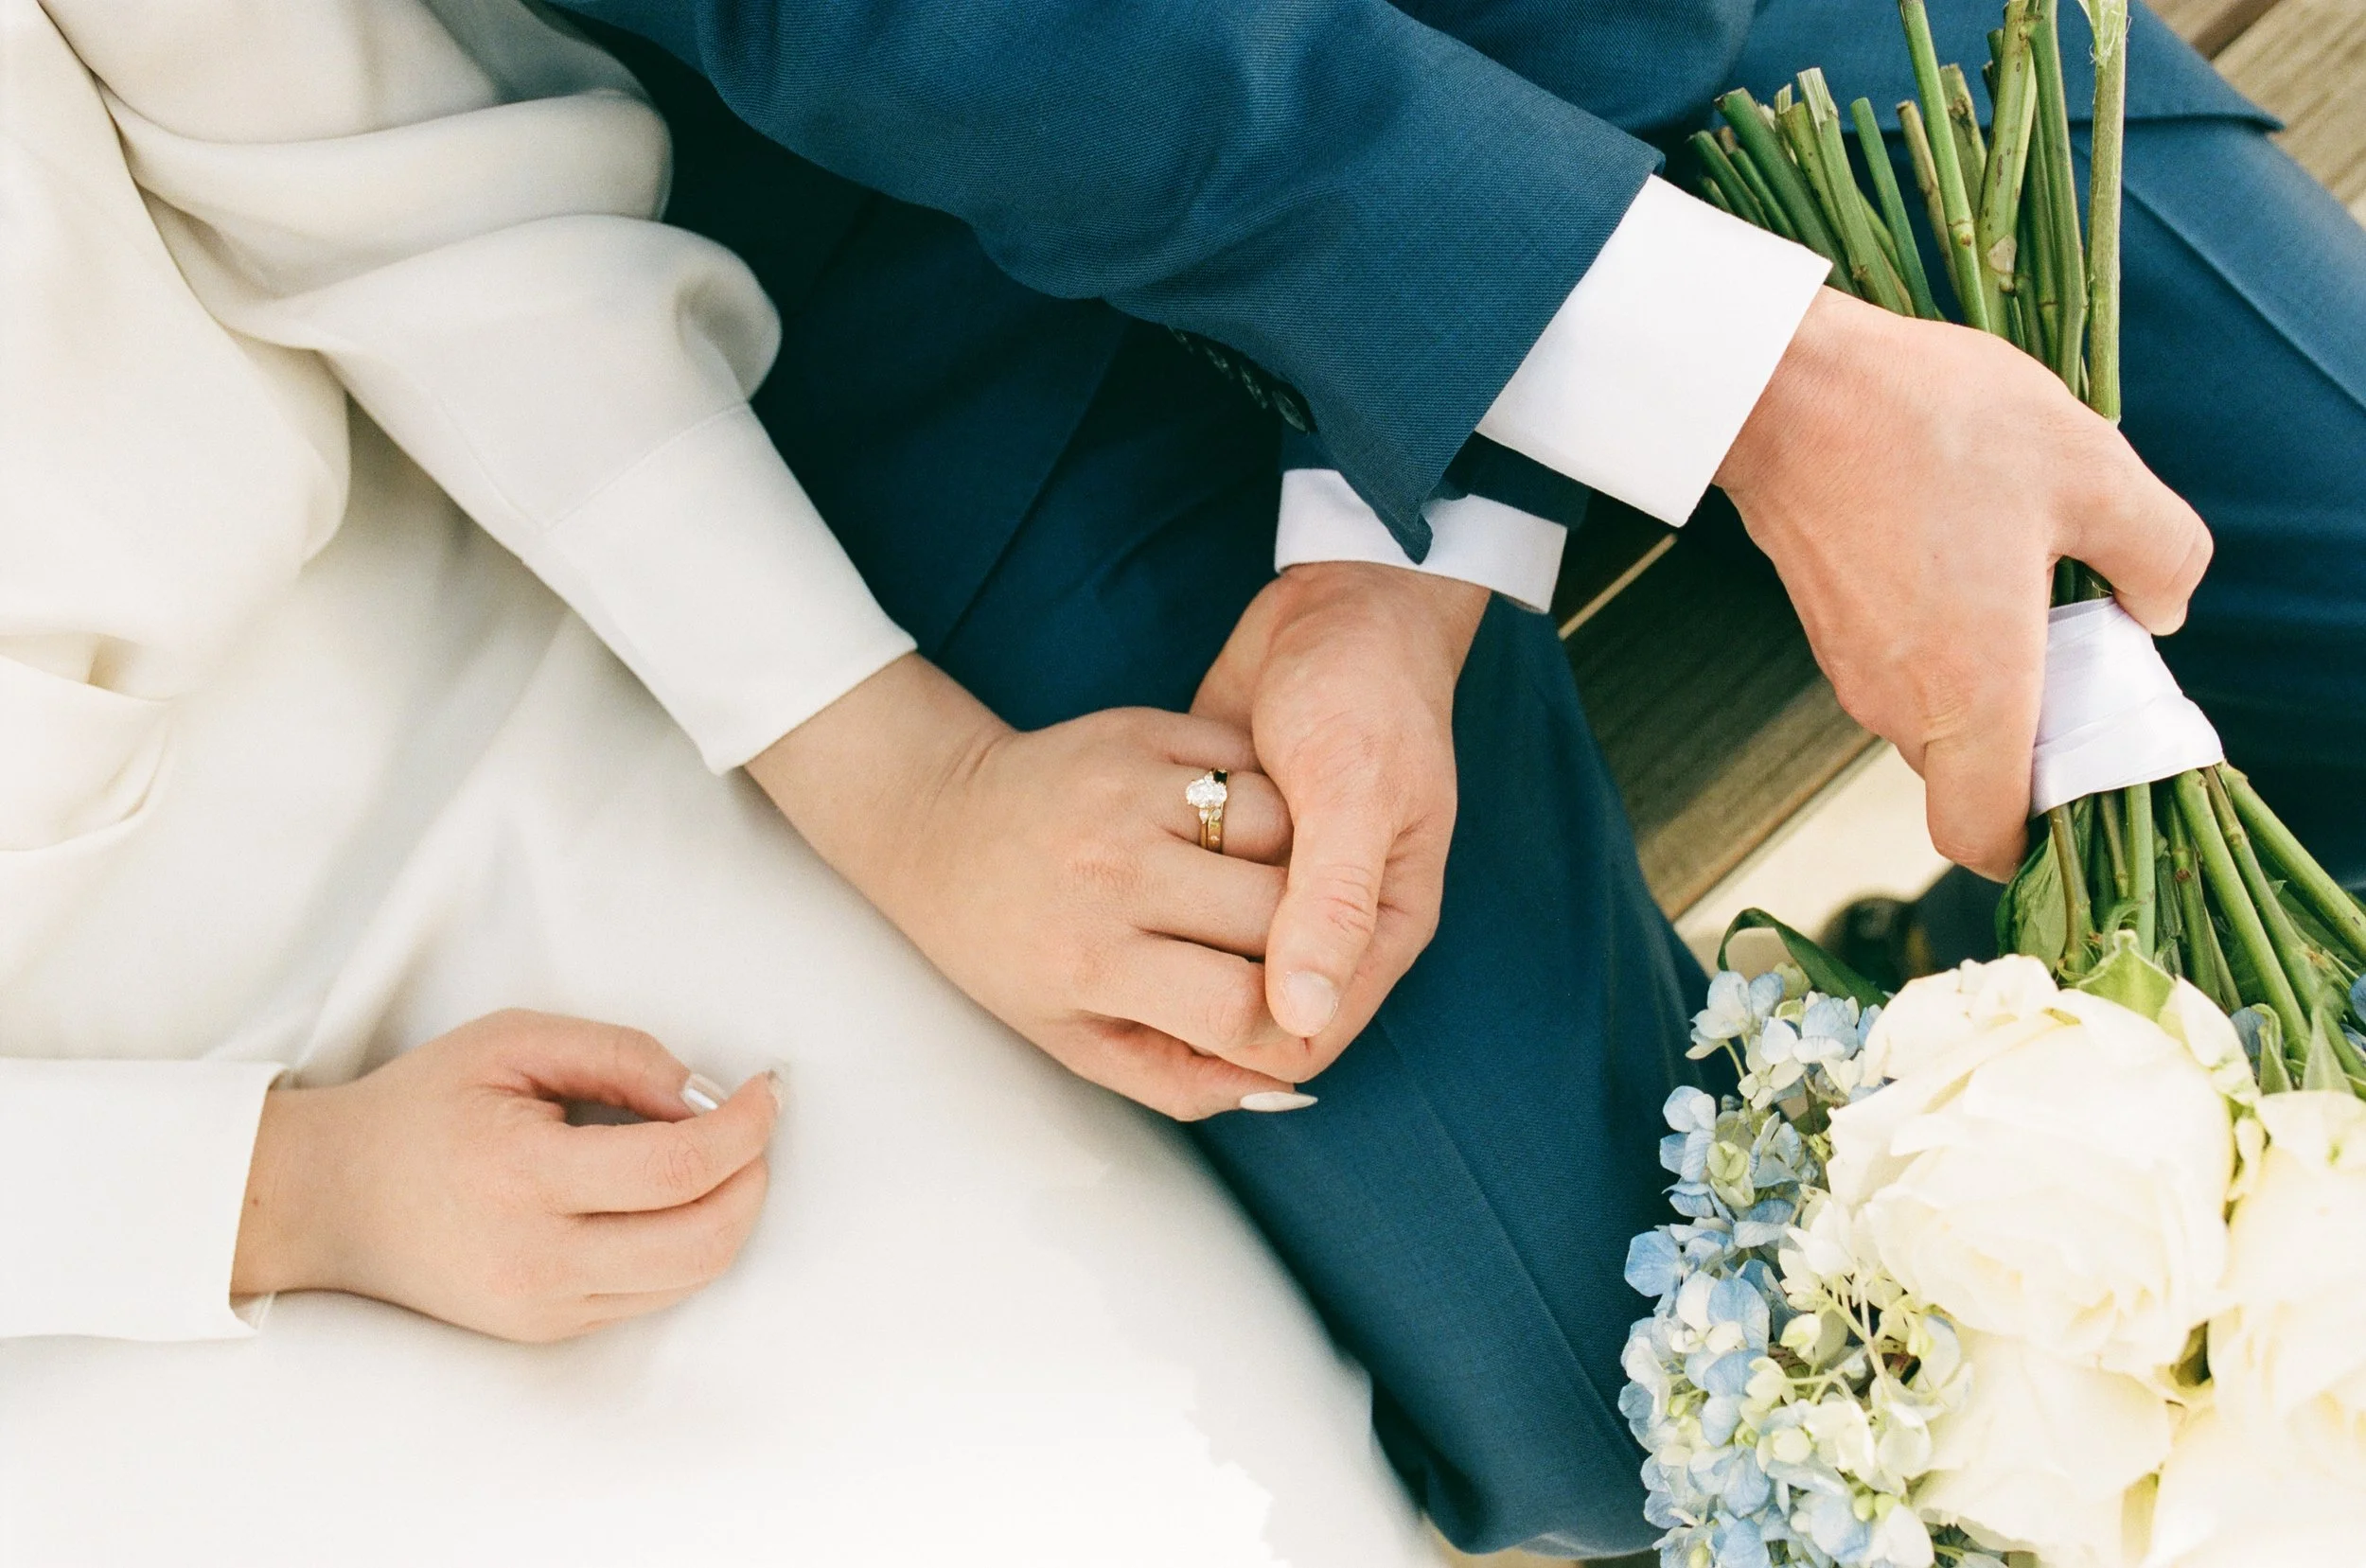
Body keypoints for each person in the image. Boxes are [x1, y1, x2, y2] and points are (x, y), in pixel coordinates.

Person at [545, 0, 2366, 1556]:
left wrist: (1721, 381)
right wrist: (1688, 399)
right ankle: (1969, 1090)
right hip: (939, 221)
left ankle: (2039, 1033)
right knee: (1638, 1408)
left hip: (1636, 29)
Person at [0, 4, 1440, 1563]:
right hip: (77, 1243)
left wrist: (909, 782)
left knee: (1160, 1483)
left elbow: (384, 170)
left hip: (512, 678)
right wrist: (269, 1194)